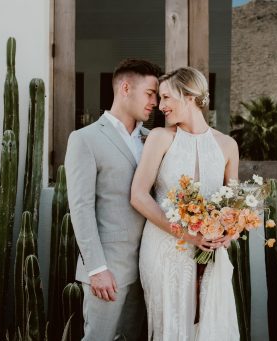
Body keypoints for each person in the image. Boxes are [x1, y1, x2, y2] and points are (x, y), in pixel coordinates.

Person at [131, 67, 240, 340]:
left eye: (167, 97)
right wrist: (188, 234)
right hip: (166, 251)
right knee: (172, 325)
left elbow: (234, 203)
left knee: (210, 326)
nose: (161, 105)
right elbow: (139, 195)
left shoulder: (227, 145)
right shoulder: (160, 138)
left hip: (210, 252)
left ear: (190, 96)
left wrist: (229, 231)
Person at [65, 58, 162, 341]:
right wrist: (96, 269)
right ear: (125, 87)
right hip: (108, 269)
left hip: (147, 267)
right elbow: (81, 208)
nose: (155, 102)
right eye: (150, 93)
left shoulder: (152, 139)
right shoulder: (85, 139)